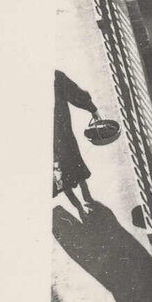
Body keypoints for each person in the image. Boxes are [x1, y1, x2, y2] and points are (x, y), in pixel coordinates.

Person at [54, 70, 100, 214]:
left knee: (57, 165)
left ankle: (78, 206)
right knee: (71, 156)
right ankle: (86, 197)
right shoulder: (54, 76)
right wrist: (92, 109)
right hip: (62, 130)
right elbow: (75, 93)